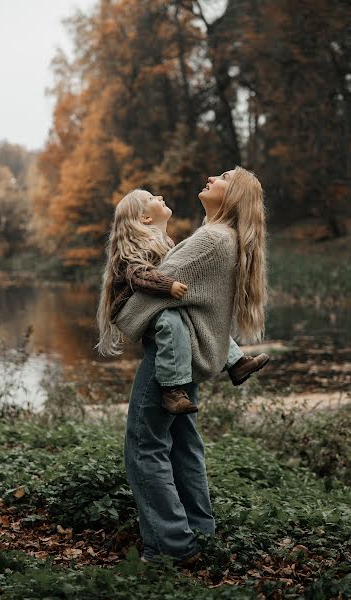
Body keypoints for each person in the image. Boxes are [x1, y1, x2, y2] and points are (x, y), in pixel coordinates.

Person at [113, 166, 268, 565]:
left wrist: (124, 319)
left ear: (233, 196)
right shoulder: (225, 238)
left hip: (171, 360)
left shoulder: (210, 241)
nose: (212, 177)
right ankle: (200, 534)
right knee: (183, 447)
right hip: (189, 356)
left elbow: (155, 290)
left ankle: (171, 548)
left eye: (223, 177)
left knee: (144, 447)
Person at [96, 188, 268, 415]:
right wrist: (168, 285)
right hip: (133, 307)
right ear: (145, 218)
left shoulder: (164, 241)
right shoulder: (132, 247)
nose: (159, 196)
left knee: (198, 318)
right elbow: (138, 275)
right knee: (171, 321)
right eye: (151, 198)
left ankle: (236, 363)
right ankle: (172, 389)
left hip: (154, 301)